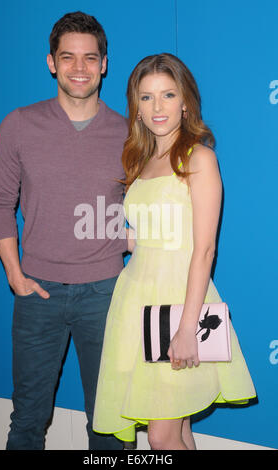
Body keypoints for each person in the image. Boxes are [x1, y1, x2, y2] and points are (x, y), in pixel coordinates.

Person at [93, 53, 256, 450]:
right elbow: (147, 237)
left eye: (167, 95)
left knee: (162, 438)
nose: (157, 107)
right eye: (146, 98)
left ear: (185, 102)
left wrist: (188, 328)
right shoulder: (140, 160)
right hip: (135, 302)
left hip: (178, 305)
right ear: (136, 106)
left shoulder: (199, 158)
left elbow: (204, 250)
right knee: (177, 432)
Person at [0, 11, 127, 450]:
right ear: (51, 62)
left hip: (106, 293)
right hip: (37, 295)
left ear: (104, 63)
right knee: (28, 418)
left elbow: (150, 209)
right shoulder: (18, 125)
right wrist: (15, 275)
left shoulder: (128, 133)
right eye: (68, 57)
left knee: (109, 423)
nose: (79, 68)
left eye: (90, 58)